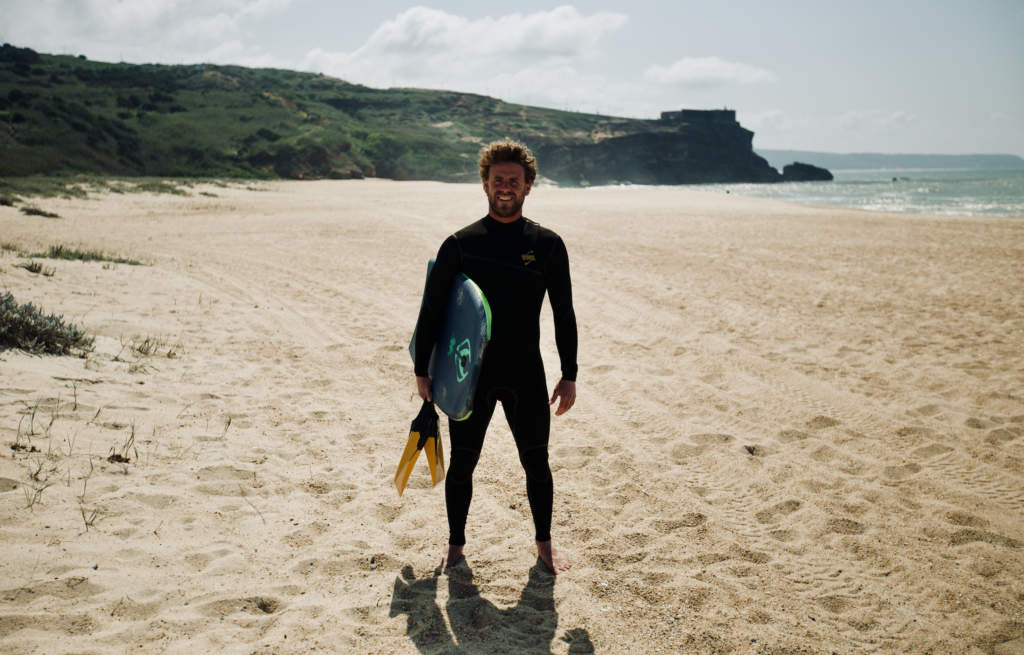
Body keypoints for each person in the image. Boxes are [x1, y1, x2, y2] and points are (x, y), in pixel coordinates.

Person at [413, 138, 578, 575]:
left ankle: (544, 544)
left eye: (515, 181)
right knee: (463, 463)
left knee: (536, 462)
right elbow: (432, 312)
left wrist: (569, 373)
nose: (506, 187)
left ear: (528, 187)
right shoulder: (460, 244)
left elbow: (564, 313)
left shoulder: (548, 245)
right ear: (485, 183)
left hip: (526, 372)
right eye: (498, 179)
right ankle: (454, 545)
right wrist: (422, 370)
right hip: (472, 375)